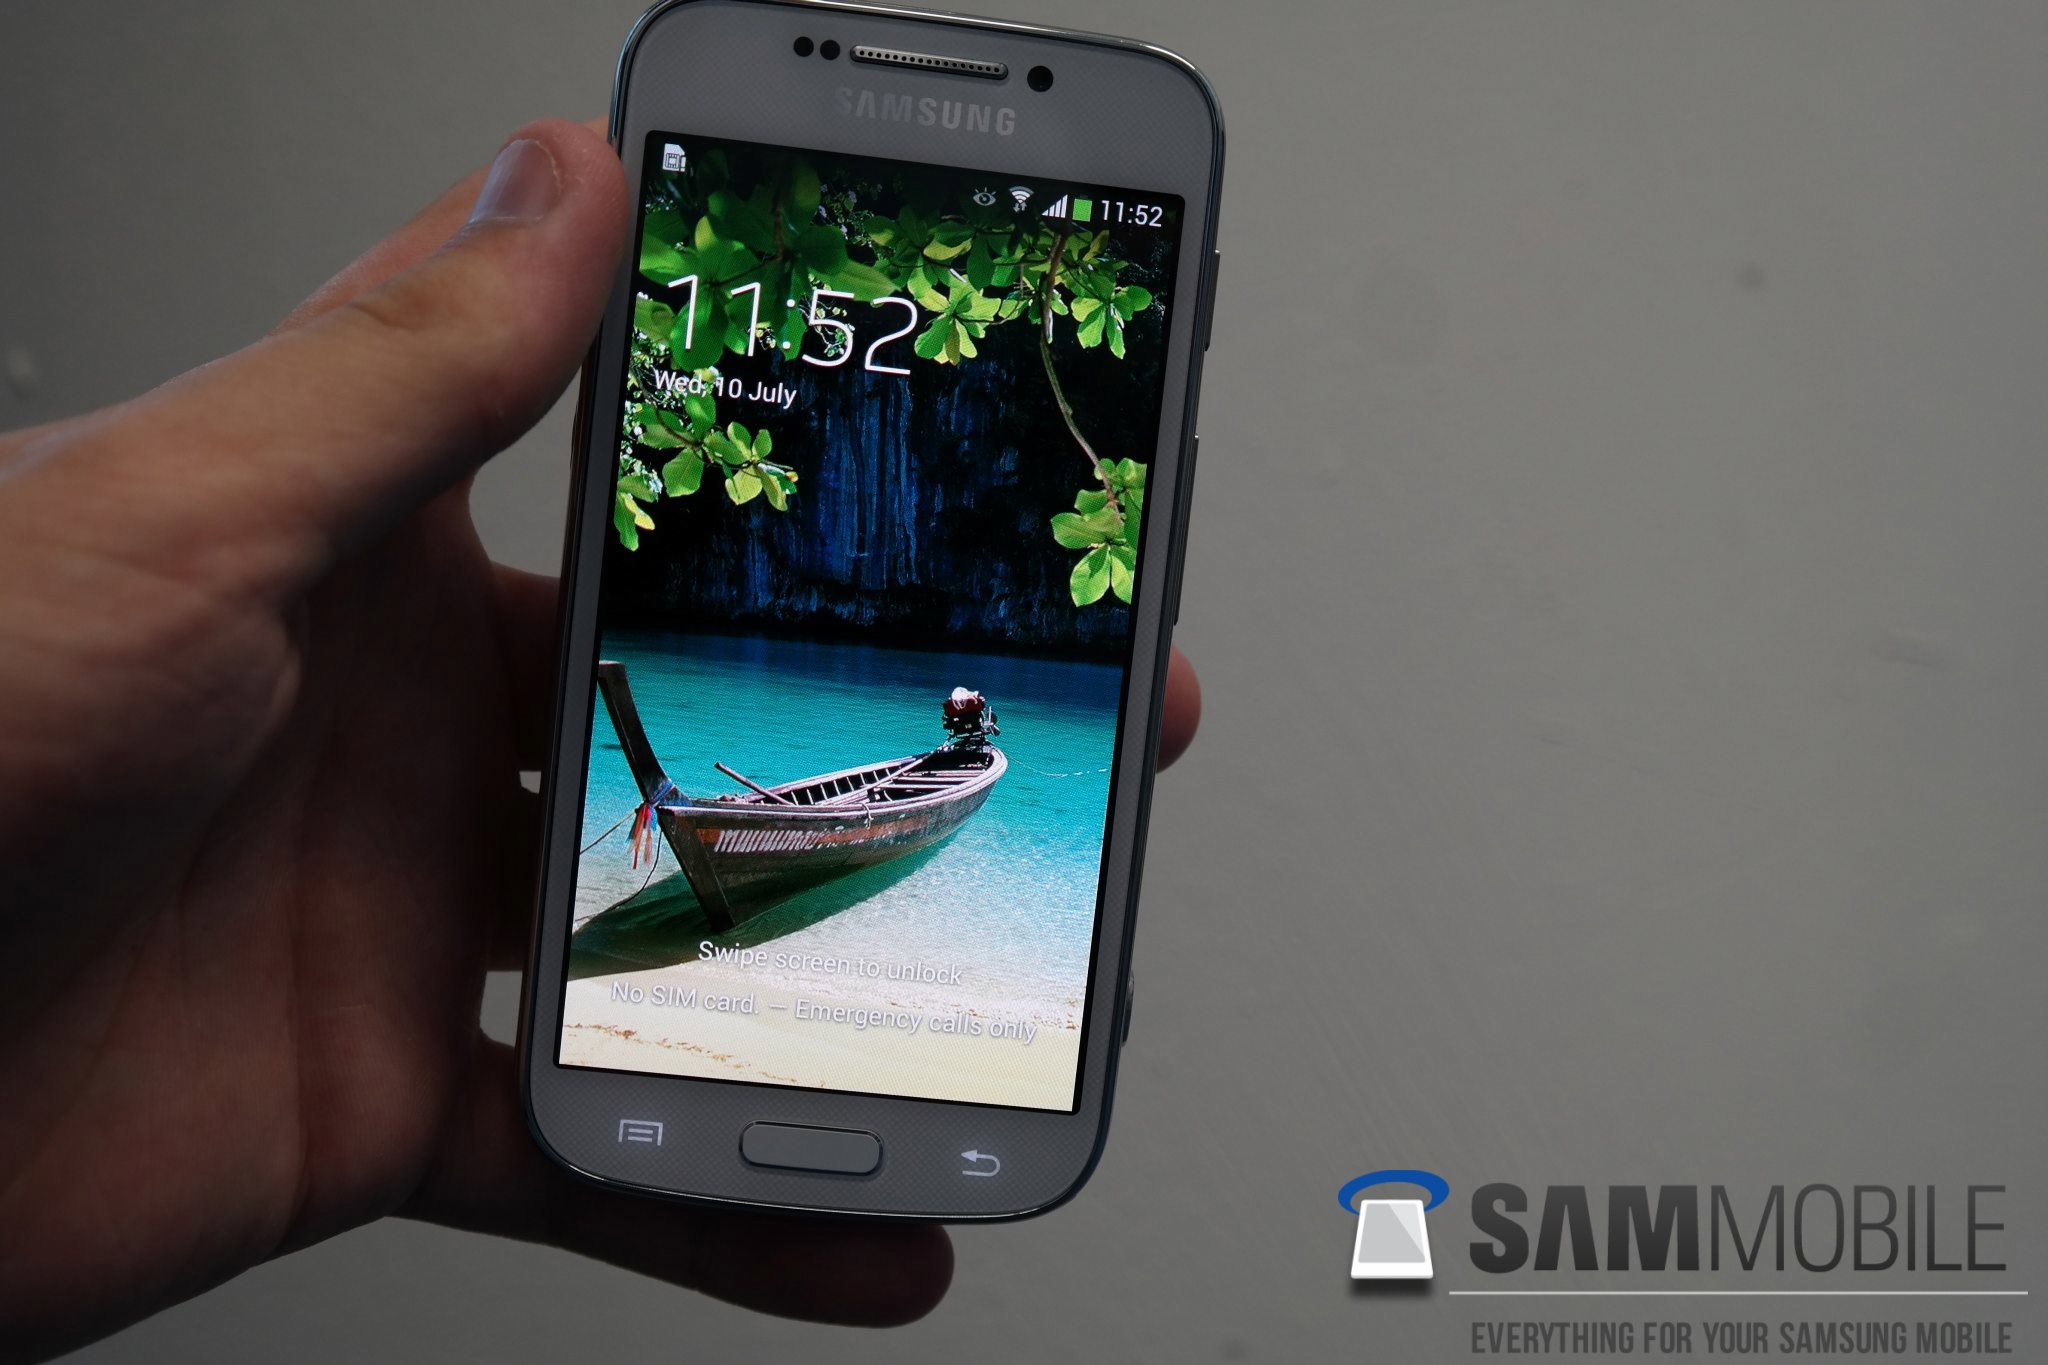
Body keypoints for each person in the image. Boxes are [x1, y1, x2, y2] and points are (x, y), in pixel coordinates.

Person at [0, 118, 1202, 1359]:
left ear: (965, 732)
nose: (956, 738)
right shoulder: (955, 752)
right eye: (957, 732)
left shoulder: (953, 755)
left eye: (959, 734)